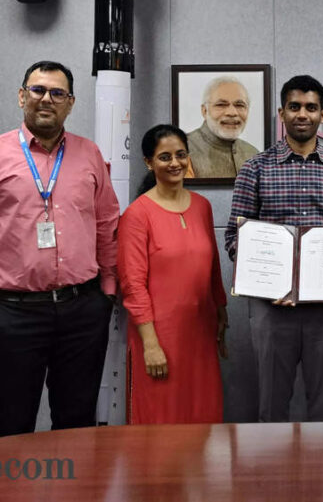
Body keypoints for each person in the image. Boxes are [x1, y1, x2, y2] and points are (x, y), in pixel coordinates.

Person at [0, 60, 119, 437]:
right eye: (38, 90)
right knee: (13, 426)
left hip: (82, 311)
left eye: (57, 93)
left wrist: (107, 291)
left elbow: (108, 224)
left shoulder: (89, 154)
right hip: (13, 314)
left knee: (76, 425)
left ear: (71, 103)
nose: (47, 99)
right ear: (21, 95)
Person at [225, 75, 323, 422]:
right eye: (295, 107)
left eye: (311, 108)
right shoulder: (254, 168)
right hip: (272, 308)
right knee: (272, 405)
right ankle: (272, 476)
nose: (303, 114)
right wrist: (267, 280)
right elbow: (233, 238)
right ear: (281, 113)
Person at [118, 124, 229, 424]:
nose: (175, 163)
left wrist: (221, 311)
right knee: (161, 420)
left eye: (181, 154)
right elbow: (132, 286)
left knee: (202, 414)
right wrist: (151, 345)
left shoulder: (202, 207)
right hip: (158, 336)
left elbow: (213, 267)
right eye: (165, 157)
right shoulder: (137, 215)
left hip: (201, 334)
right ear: (148, 162)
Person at [186, 76, 260, 178]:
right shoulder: (183, 149)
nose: (232, 113)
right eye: (221, 105)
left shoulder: (253, 154)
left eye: (239, 105)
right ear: (204, 111)